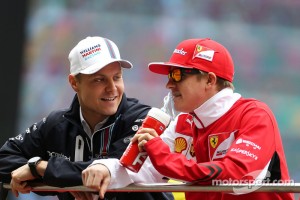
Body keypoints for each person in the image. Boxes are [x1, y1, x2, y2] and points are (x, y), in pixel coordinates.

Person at [82, 38, 293, 200]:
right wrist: (105, 168)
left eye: (177, 75)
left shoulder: (254, 115)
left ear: (209, 80)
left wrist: (163, 156)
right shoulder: (184, 123)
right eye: (169, 76)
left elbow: (236, 176)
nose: (169, 85)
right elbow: (142, 170)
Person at [0, 36, 173, 200]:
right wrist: (67, 181)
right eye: (99, 80)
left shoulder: (144, 120)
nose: (112, 88)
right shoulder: (57, 123)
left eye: (117, 77)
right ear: (74, 83)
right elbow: (5, 158)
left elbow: (113, 168)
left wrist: (39, 168)